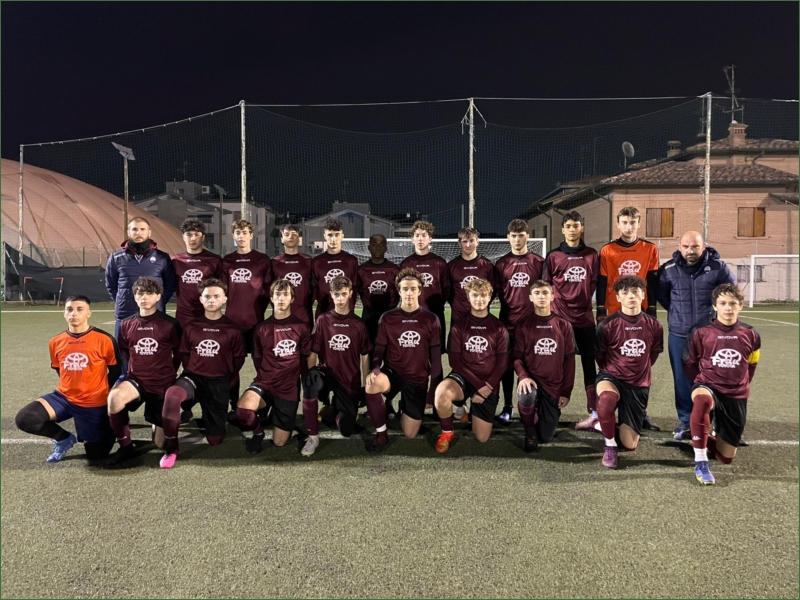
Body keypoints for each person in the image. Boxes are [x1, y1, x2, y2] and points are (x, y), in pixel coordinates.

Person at [15, 295, 121, 463]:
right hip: (64, 397)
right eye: (69, 309)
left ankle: (107, 427)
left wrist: (99, 390)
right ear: (64, 313)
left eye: (80, 309)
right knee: (25, 419)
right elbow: (60, 370)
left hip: (93, 402)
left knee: (97, 455)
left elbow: (115, 370)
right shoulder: (55, 342)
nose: (74, 313)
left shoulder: (104, 339)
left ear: (89, 313)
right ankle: (63, 438)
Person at [657, 231, 737, 440]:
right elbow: (663, 297)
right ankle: (686, 422)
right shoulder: (668, 269)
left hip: (711, 335)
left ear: (704, 246)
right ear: (679, 247)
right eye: (686, 247)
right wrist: (678, 314)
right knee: (682, 380)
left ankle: (715, 423)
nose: (690, 251)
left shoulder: (718, 267)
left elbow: (731, 293)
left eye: (695, 246)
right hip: (679, 334)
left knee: (715, 378)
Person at [159, 278, 245, 469]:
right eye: (207, 296)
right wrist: (195, 371)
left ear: (224, 299)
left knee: (215, 439)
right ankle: (172, 449)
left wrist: (224, 379)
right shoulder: (191, 326)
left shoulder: (232, 329)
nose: (211, 300)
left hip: (218, 383)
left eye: (216, 296)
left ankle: (210, 414)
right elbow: (184, 355)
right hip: (194, 378)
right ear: (201, 299)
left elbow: (238, 360)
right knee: (172, 395)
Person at [682, 284, 760, 485]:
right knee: (701, 401)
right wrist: (701, 382)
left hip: (736, 393)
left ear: (740, 306)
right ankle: (701, 461)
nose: (728, 308)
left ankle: (697, 434)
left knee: (726, 457)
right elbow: (690, 363)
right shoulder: (700, 331)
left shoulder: (751, 334)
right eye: (723, 303)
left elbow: (751, 364)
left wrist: (741, 385)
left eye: (733, 303)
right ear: (715, 306)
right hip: (708, 385)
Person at [105, 277, 182, 466]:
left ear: (158, 297)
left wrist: (169, 373)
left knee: (160, 444)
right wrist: (135, 369)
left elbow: (179, 352)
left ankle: (158, 422)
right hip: (137, 380)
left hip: (162, 383)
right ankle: (126, 447)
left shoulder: (170, 324)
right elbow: (124, 351)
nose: (144, 297)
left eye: (149, 293)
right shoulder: (126, 324)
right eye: (140, 293)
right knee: (114, 398)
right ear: (134, 297)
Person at [597, 206, 661, 431]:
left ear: (638, 223)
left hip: (639, 313)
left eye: (633, 222)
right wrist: (601, 310)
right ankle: (606, 409)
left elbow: (653, 280)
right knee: (611, 361)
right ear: (618, 224)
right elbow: (602, 281)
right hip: (614, 312)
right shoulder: (607, 250)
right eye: (624, 222)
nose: (629, 226)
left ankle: (640, 412)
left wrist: (652, 308)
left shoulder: (649, 249)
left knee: (640, 362)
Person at [364, 268, 443, 450]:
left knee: (410, 433)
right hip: (393, 373)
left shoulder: (431, 319)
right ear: (399, 291)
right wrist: (375, 367)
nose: (409, 293)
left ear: (420, 291)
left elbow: (436, 359)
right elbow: (379, 349)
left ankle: (403, 407)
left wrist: (432, 390)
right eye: (405, 289)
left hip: (417, 379)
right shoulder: (387, 318)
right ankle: (381, 433)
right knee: (372, 383)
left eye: (413, 289)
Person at [236, 279, 312, 455]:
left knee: (279, 443)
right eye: (278, 294)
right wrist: (266, 377)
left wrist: (305, 382)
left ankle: (277, 416)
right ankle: (258, 432)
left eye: (286, 294)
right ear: (271, 298)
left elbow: (305, 357)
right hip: (265, 383)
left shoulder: (301, 327)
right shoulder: (262, 328)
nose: (281, 298)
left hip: (288, 389)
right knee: (243, 410)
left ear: (292, 299)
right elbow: (257, 358)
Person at [594, 276, 663, 469]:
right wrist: (615, 370)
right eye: (625, 293)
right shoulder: (607, 325)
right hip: (611, 377)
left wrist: (638, 371)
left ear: (643, 295)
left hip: (638, 384)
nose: (631, 296)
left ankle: (603, 423)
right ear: (618, 297)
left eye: (635, 292)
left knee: (630, 445)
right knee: (607, 397)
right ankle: (610, 445)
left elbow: (653, 354)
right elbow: (600, 356)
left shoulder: (654, 325)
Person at [433, 278, 507, 453]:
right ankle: (447, 432)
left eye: (483, 295)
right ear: (468, 297)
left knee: (482, 437)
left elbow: (502, 362)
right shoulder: (459, 326)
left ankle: (473, 413)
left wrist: (487, 386)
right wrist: (478, 386)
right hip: (464, 377)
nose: (479, 299)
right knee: (441, 393)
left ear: (489, 297)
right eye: (475, 295)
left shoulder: (498, 327)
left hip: (488, 382)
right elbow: (455, 361)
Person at [301, 275, 372, 456]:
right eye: (337, 294)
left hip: (348, 380)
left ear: (350, 294)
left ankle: (334, 407)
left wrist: (366, 387)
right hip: (327, 374)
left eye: (344, 294)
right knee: (311, 380)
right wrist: (310, 377)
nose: (340, 299)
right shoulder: (323, 320)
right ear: (331, 295)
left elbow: (365, 356)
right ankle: (313, 437)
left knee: (346, 429)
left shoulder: (358, 324)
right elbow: (313, 352)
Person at [543, 211, 600, 431]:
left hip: (584, 319)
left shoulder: (592, 254)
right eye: (568, 226)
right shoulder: (553, 256)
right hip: (559, 320)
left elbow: (594, 283)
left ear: (581, 227)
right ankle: (551, 410)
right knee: (556, 364)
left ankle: (594, 414)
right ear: (563, 229)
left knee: (589, 364)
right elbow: (546, 286)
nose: (572, 229)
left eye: (576, 225)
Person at [513, 280, 576, 453]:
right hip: (532, 381)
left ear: (552, 296)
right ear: (531, 298)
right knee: (527, 395)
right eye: (537, 293)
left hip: (553, 385)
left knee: (546, 436)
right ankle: (529, 432)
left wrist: (566, 391)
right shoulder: (523, 325)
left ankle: (537, 413)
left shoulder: (564, 325)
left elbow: (569, 360)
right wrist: (524, 376)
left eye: (545, 293)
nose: (541, 297)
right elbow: (516, 357)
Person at [495, 218, 544, 424]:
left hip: (533, 326)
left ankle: (533, 406)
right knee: (507, 368)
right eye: (513, 236)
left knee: (533, 366)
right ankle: (508, 406)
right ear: (508, 237)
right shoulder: (501, 264)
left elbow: (544, 293)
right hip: (508, 324)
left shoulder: (538, 262)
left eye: (521, 236)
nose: (517, 240)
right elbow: (497, 293)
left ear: (528, 237)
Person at [222, 219, 272, 407]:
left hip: (256, 324)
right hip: (233, 324)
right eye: (238, 233)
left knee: (262, 367)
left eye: (245, 232)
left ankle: (263, 406)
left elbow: (268, 292)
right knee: (231, 367)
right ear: (233, 236)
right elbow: (222, 291)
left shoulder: (262, 260)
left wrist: (260, 314)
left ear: (251, 235)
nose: (241, 236)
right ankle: (233, 405)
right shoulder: (227, 261)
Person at [105, 217, 177, 339]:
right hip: (125, 313)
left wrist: (157, 301)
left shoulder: (162, 257)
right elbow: (111, 286)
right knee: (122, 350)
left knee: (154, 348)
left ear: (149, 232)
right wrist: (123, 300)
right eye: (135, 229)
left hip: (154, 314)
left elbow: (170, 285)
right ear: (128, 232)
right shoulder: (116, 258)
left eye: (142, 229)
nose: (138, 232)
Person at [399, 220, 450, 349]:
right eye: (417, 235)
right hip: (412, 315)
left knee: (435, 352)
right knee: (414, 351)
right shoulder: (406, 264)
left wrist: (437, 305)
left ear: (430, 239)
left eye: (424, 235)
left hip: (435, 314)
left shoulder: (440, 263)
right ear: (412, 239)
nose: (420, 239)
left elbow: (446, 288)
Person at [172, 218, 223, 329]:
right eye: (189, 235)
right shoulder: (176, 260)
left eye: (197, 234)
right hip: (183, 316)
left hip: (207, 314)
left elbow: (221, 287)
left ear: (203, 237)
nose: (193, 238)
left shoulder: (214, 260)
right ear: (183, 237)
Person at [311, 218, 359, 321]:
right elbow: (314, 289)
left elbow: (354, 288)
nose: (333, 239)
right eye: (330, 235)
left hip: (346, 315)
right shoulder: (317, 261)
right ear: (324, 236)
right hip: (323, 315)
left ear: (342, 235)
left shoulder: (351, 260)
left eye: (337, 235)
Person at [447, 227, 496, 327]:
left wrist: (481, 304)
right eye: (465, 241)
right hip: (458, 316)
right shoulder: (451, 266)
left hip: (481, 316)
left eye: (471, 241)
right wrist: (458, 304)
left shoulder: (487, 265)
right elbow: (447, 292)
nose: (468, 245)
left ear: (477, 241)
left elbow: (493, 290)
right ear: (459, 243)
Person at [357, 234, 400, 344]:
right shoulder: (361, 270)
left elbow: (399, 292)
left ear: (386, 248)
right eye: (374, 244)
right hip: (369, 315)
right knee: (369, 349)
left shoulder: (394, 269)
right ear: (369, 247)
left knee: (389, 349)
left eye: (381, 245)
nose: (377, 247)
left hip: (389, 315)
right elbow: (359, 291)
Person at [271, 224, 314, 325]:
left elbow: (315, 288)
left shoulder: (309, 261)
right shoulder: (274, 262)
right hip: (280, 317)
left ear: (299, 239)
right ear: (282, 239)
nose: (290, 237)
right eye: (287, 234)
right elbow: (270, 289)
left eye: (294, 234)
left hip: (304, 317)